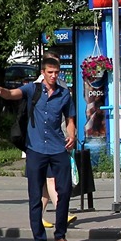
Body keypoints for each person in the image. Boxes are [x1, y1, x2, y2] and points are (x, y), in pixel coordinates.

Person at [0, 55, 77, 241]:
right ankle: (39, 240)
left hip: (58, 148)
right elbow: (13, 94)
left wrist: (72, 135)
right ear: (43, 73)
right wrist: (2, 91)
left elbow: (70, 120)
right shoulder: (33, 89)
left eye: (56, 73)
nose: (53, 76)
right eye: (50, 72)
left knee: (65, 191)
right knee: (35, 195)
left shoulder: (64, 94)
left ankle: (60, 235)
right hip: (35, 149)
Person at [35, 51, 77, 228]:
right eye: (52, 69)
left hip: (59, 139)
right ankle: (63, 212)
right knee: (51, 179)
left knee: (46, 186)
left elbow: (68, 115)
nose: (55, 73)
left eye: (57, 69)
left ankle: (38, 217)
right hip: (41, 143)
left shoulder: (61, 85)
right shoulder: (36, 87)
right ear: (44, 69)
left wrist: (71, 134)